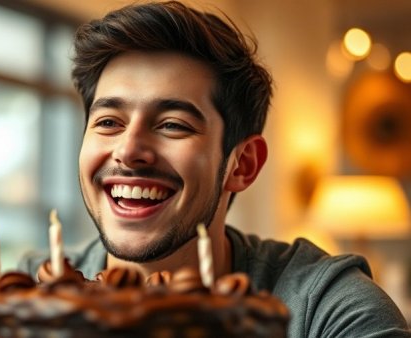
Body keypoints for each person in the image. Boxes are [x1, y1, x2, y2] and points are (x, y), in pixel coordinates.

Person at [20, 1, 411, 337]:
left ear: (242, 164)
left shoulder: (329, 309)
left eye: (172, 124)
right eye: (108, 122)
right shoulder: (25, 295)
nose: (129, 149)